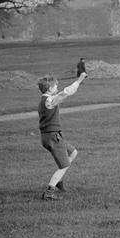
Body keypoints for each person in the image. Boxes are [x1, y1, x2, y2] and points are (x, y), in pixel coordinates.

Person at [38, 71, 88, 199]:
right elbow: (66, 92)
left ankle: (59, 179)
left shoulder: (46, 100)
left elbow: (63, 94)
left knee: (73, 152)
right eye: (55, 86)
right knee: (64, 165)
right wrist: (80, 79)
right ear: (50, 88)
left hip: (52, 136)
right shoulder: (48, 101)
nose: (57, 88)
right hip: (53, 137)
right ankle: (49, 193)